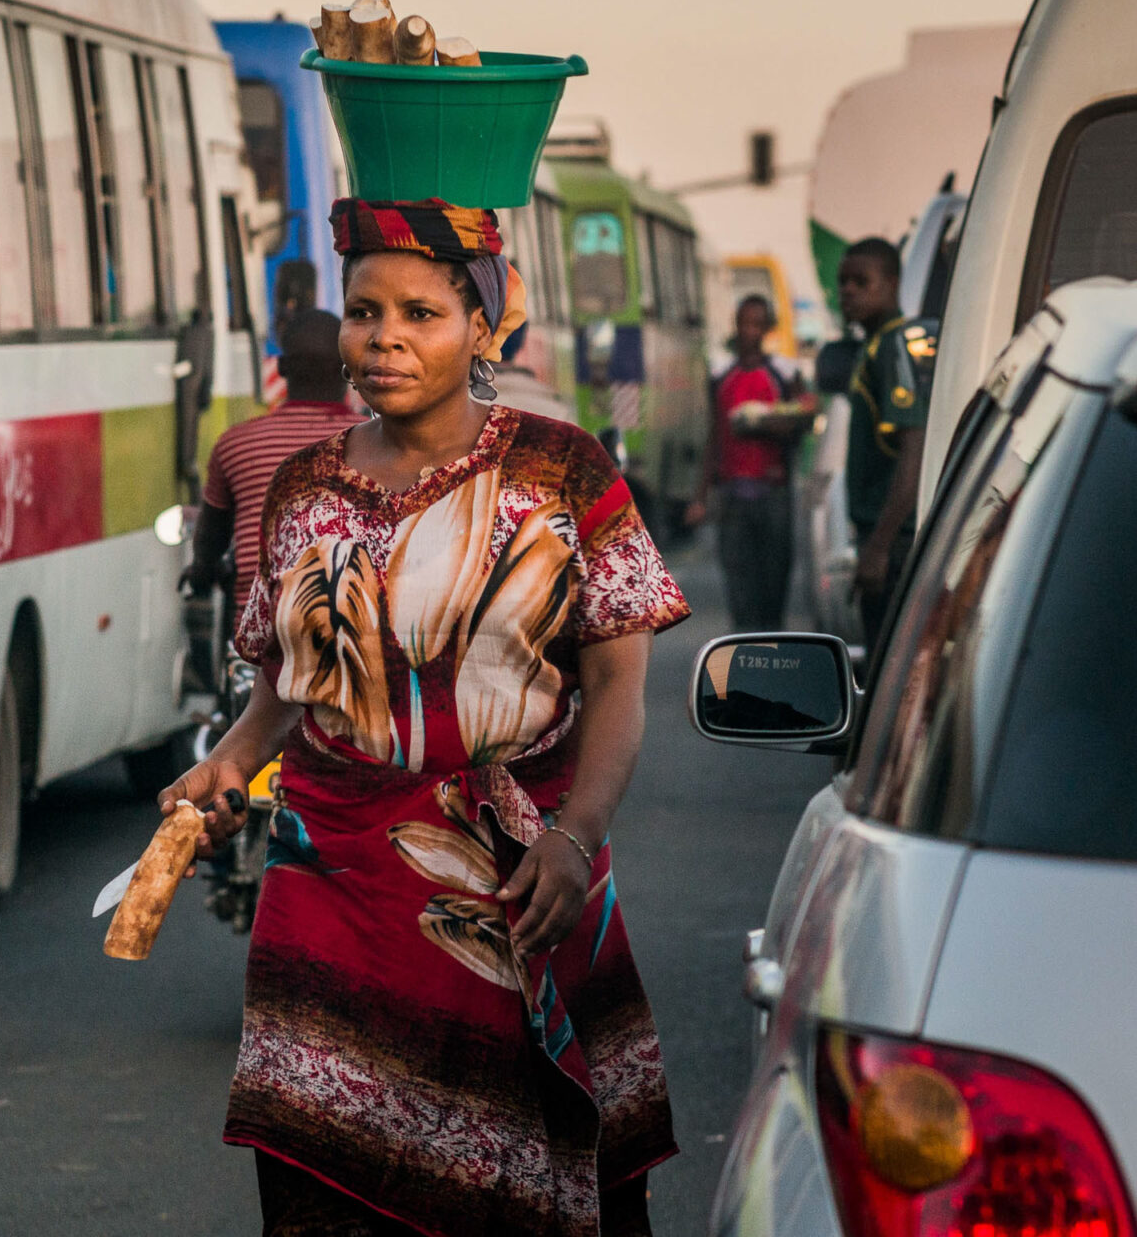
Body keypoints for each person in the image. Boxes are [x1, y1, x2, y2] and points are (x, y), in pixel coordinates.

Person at [168, 197, 688, 1236]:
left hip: (514, 886)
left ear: (481, 327)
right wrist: (227, 760)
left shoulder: (561, 469)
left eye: (420, 313)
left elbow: (618, 685)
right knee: (322, 1186)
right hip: (328, 884)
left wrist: (575, 838)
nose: (384, 338)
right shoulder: (303, 486)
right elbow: (285, 682)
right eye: (364, 312)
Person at [188, 308, 358, 618]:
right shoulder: (380, 442)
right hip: (355, 628)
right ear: (348, 369)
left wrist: (202, 569)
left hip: (261, 631)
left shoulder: (236, 444)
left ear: (280, 368)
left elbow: (212, 535)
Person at [687, 294, 815, 631]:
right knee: (739, 589)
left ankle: (772, 649)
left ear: (767, 329)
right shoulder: (721, 375)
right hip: (732, 497)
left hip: (773, 494)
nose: (750, 332)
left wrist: (768, 422)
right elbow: (714, 435)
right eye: (745, 324)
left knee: (773, 586)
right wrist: (700, 497)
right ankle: (744, 649)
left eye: (757, 325)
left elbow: (804, 417)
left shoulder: (784, 372)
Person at [834, 238, 936, 651]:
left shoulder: (895, 346)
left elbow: (915, 448)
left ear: (892, 283)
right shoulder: (874, 345)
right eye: (843, 282)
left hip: (893, 543)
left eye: (862, 282)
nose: (848, 291)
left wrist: (879, 547)